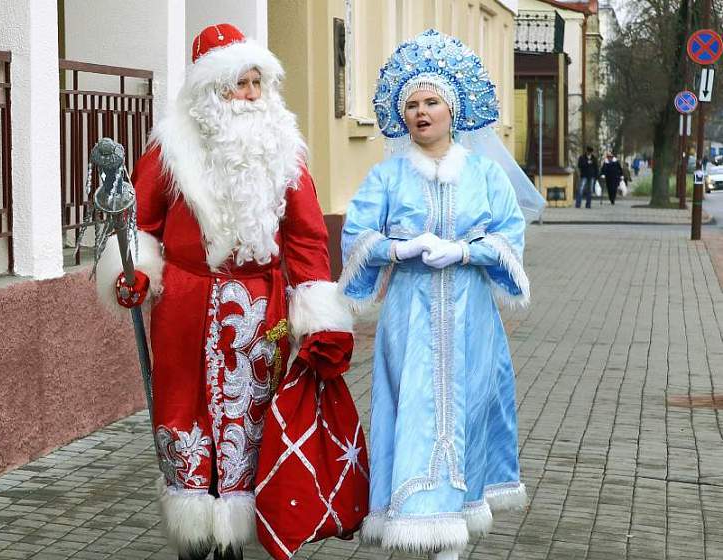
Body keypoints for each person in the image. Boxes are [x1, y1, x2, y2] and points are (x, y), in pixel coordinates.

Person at [98, 24, 355, 560]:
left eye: (258, 82)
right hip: (185, 308)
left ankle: (236, 538)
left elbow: (306, 238)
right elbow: (140, 223)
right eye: (241, 83)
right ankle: (194, 536)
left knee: (251, 421)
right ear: (211, 90)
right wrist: (135, 272)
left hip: (260, 313)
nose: (252, 95)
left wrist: (320, 316)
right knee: (182, 415)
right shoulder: (170, 150)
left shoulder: (284, 152)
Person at [339, 29, 544, 559]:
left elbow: (509, 237)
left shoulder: (485, 175)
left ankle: (452, 539)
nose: (421, 112)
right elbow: (356, 237)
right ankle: (414, 523)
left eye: (431, 102)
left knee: (469, 414)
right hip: (408, 319)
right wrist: (398, 249)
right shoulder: (386, 176)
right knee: (411, 413)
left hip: (473, 320)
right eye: (412, 105)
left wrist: (465, 253)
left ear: (452, 109)